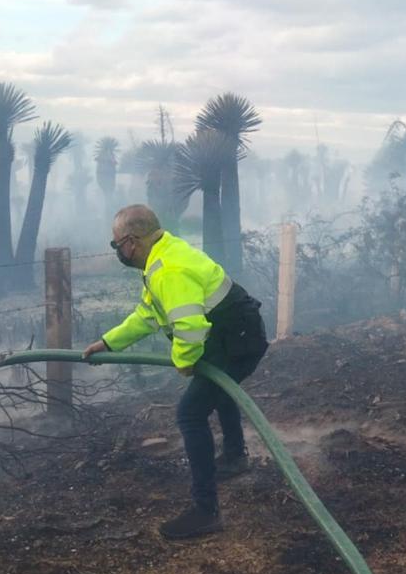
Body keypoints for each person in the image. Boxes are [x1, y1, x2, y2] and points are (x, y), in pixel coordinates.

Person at [84, 204, 269, 540]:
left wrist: (184, 360)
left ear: (131, 241)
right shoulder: (163, 255)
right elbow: (147, 316)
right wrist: (109, 343)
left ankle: (205, 511)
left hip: (238, 340)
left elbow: (190, 327)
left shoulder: (168, 270)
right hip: (233, 333)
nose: (117, 252)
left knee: (190, 414)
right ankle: (234, 456)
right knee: (216, 384)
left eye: (116, 245)